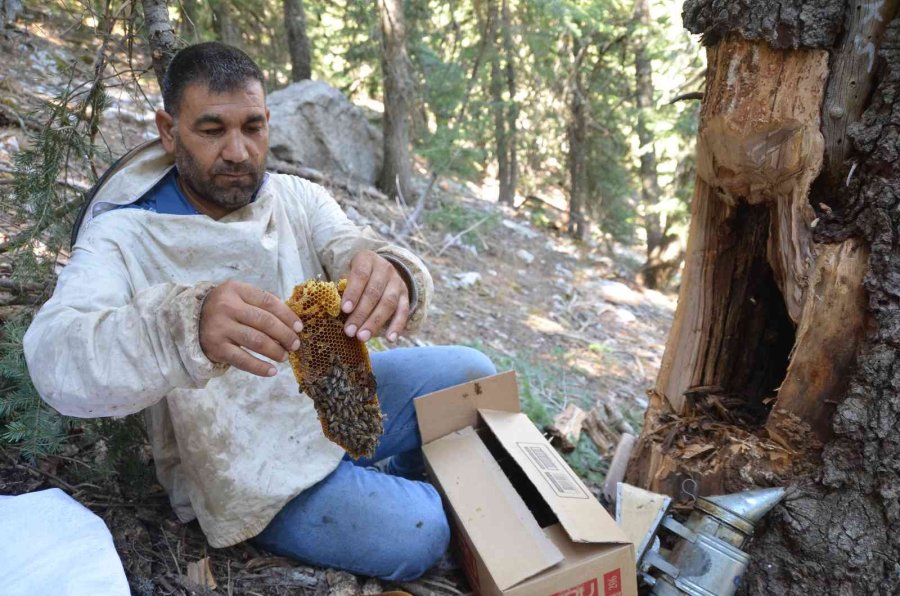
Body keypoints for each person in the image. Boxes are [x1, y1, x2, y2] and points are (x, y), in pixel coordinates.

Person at [23, 42, 495, 581]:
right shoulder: (122, 234)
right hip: (244, 468)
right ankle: (388, 495)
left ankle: (395, 472)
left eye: (252, 127)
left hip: (328, 396)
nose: (237, 151)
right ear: (168, 131)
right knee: (423, 530)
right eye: (211, 130)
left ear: (268, 121)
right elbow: (54, 356)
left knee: (473, 377)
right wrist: (185, 326)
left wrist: (391, 271)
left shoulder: (295, 198)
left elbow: (349, 242)